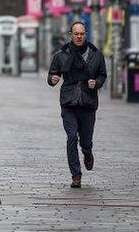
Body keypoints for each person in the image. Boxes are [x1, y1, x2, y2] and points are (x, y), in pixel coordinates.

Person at [47, 20, 107, 188]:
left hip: (88, 103)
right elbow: (52, 74)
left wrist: (97, 82)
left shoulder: (96, 54)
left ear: (85, 34)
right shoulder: (61, 54)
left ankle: (87, 153)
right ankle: (76, 175)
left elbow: (102, 74)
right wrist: (52, 79)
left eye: (82, 34)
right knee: (72, 137)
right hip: (69, 102)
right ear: (71, 35)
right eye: (76, 34)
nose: (79, 36)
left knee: (85, 141)